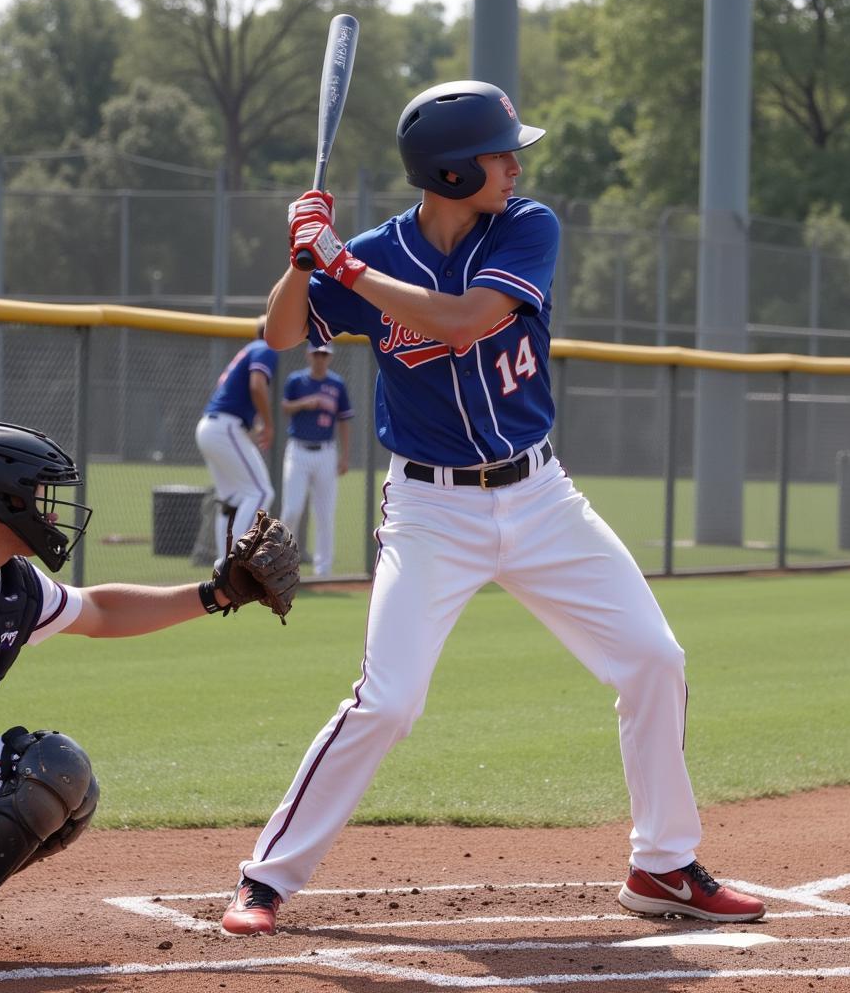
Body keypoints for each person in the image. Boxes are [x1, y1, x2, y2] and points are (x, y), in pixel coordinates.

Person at [219, 79, 766, 938]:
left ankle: (662, 865)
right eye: (500, 153)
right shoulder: (367, 249)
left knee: (654, 659)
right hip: (432, 513)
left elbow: (470, 321)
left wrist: (347, 267)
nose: (515, 165)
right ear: (449, 169)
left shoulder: (526, 226)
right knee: (389, 702)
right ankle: (266, 879)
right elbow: (283, 332)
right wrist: (302, 255)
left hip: (541, 496)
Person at [0, 419, 289, 975]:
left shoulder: (9, 582)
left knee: (73, 795)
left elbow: (100, 611)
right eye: (39, 495)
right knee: (46, 770)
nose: (50, 513)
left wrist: (216, 593)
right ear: (0, 498)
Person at [195, 316, 277, 560]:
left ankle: (223, 568)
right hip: (224, 427)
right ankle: (234, 562)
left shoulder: (250, 348)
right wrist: (268, 425)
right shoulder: (266, 346)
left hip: (211, 426)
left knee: (232, 498)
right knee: (262, 493)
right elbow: (257, 385)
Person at [280, 342, 353, 579]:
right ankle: (281, 565)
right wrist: (304, 403)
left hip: (326, 452)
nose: (320, 358)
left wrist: (345, 456)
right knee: (291, 510)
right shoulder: (296, 380)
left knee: (324, 513)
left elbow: (344, 420)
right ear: (308, 355)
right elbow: (284, 407)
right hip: (298, 450)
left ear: (329, 357)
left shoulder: (336, 383)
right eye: (316, 353)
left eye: (324, 354)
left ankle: (323, 571)